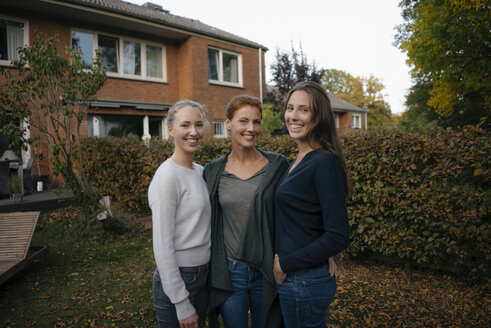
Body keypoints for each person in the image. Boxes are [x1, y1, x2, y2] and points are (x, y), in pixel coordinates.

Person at [203, 95, 289, 328]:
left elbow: (297, 212)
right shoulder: (213, 172)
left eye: (256, 122)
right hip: (231, 272)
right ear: (228, 123)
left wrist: (326, 252)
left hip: (268, 269)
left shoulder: (277, 166)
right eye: (243, 121)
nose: (251, 128)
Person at [273, 81, 351, 328]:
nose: (293, 116)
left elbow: (338, 236)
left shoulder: (323, 163)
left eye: (303, 110)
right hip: (299, 278)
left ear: (319, 117)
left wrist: (286, 264)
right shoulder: (299, 159)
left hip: (302, 280)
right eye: (290, 108)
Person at [148, 100, 211, 328]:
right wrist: (181, 302)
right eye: (185, 125)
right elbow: (162, 246)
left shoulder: (201, 172)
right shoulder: (167, 176)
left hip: (202, 276)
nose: (194, 132)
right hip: (178, 281)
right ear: (171, 130)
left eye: (198, 124)